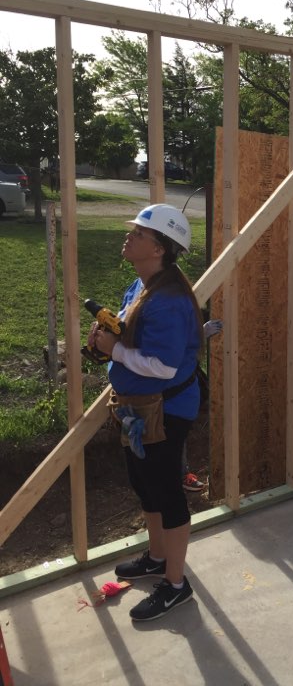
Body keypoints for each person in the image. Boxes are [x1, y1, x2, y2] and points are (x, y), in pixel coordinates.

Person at [90, 203, 204, 621]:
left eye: (138, 233)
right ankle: (157, 558)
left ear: (158, 249)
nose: (129, 237)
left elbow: (163, 367)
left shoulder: (169, 302)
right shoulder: (141, 287)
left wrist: (114, 350)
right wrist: (104, 345)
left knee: (167, 491)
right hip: (140, 410)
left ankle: (176, 584)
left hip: (167, 410)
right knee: (145, 484)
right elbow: (129, 339)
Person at [181, 318, 223, 492]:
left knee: (177, 432)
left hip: (182, 387)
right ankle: (178, 476)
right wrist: (199, 336)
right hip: (165, 388)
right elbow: (172, 354)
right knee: (170, 433)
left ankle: (181, 474)